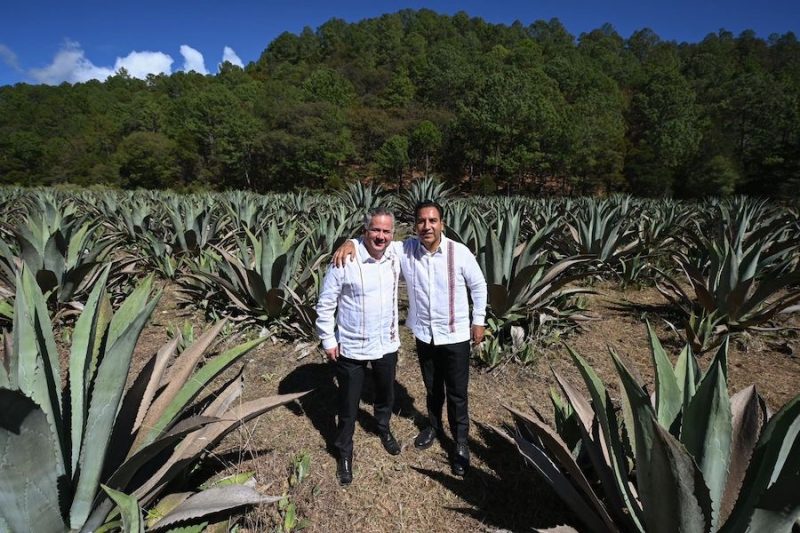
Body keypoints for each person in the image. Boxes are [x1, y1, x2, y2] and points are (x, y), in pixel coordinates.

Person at [334, 200, 487, 476]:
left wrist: (479, 320)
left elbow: (478, 285)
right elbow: (375, 238)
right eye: (421, 221)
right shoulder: (405, 250)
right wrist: (350, 242)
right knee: (432, 389)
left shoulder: (459, 252)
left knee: (457, 393)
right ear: (415, 225)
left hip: (455, 334)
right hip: (425, 336)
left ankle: (460, 443)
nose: (427, 226)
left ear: (442, 224)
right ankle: (433, 427)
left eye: (433, 221)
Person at [315, 207, 402, 486]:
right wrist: (328, 339)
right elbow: (326, 304)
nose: (380, 236)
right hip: (351, 346)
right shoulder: (345, 260)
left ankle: (383, 427)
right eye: (375, 230)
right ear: (365, 231)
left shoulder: (395, 254)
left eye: (386, 231)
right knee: (348, 404)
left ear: (393, 234)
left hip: (386, 343)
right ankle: (344, 452)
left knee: (386, 393)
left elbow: (424, 243)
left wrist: (350, 240)